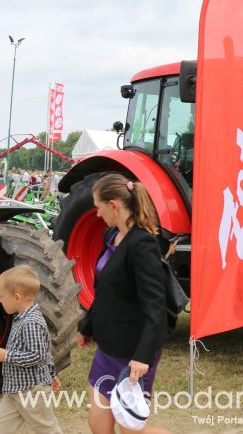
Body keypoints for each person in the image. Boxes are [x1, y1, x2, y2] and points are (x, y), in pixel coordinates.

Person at [76, 174, 172, 434]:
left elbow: (156, 307)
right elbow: (106, 290)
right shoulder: (111, 236)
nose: (97, 214)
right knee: (98, 423)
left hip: (133, 355)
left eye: (99, 207)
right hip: (107, 348)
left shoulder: (143, 245)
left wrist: (142, 357)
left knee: (130, 429)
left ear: (114, 206)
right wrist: (87, 326)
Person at [0, 265, 63, 434]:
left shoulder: (31, 322)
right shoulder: (20, 318)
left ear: (17, 297)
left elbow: (36, 355)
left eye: (1, 296)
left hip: (31, 391)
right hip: (14, 389)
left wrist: (6, 355)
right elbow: (45, 350)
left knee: (47, 429)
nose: (0, 301)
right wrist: (51, 372)